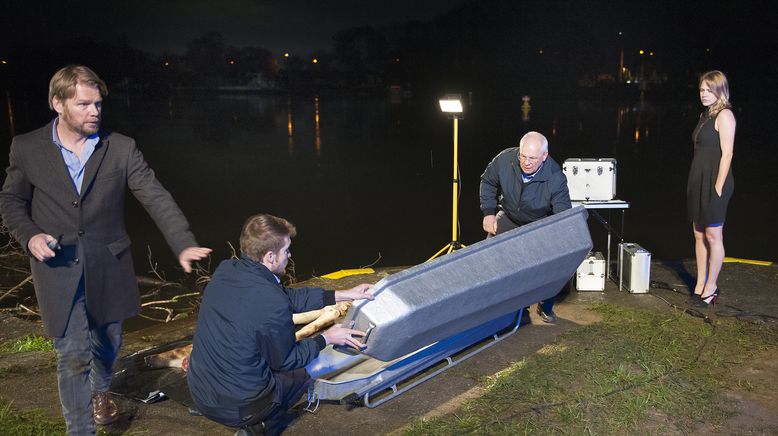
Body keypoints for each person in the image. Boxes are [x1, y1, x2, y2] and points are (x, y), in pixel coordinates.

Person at [0, 65, 212, 435]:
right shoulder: (27, 147)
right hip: (57, 267)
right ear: (57, 103)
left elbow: (155, 196)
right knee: (72, 355)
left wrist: (182, 242)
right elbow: (12, 201)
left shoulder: (121, 147)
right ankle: (79, 430)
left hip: (108, 264)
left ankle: (101, 391)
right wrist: (30, 236)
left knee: (108, 341)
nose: (94, 111)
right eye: (83, 104)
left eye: (98, 104)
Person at [187, 214, 373, 436]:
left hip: (200, 393)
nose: (290, 255)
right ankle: (263, 426)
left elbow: (285, 297)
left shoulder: (227, 271)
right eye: (286, 251)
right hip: (237, 408)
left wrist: (343, 294)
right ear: (270, 257)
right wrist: (327, 338)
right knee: (301, 374)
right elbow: (287, 360)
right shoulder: (270, 301)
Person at [479, 131, 571, 323]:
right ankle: (489, 307)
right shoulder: (504, 160)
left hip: (539, 222)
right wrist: (488, 212)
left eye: (533, 158)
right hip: (510, 215)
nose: (526, 162)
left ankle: (545, 306)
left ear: (544, 156)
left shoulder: (556, 178)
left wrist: (561, 238)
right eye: (523, 156)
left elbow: (563, 214)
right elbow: (487, 181)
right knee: (488, 256)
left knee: (552, 265)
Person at [687, 70, 735, 308]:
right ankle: (700, 284)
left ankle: (711, 287)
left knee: (713, 235)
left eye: (709, 90)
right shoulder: (705, 114)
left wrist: (718, 186)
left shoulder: (725, 115)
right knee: (698, 234)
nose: (704, 94)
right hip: (698, 180)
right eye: (702, 90)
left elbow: (728, 154)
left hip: (716, 182)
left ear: (720, 91)